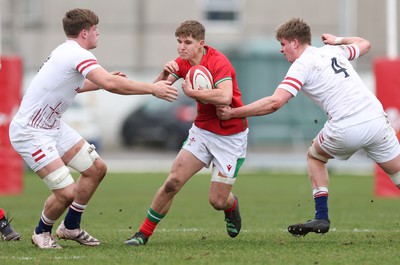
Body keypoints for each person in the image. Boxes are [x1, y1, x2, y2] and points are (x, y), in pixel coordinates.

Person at [9, 8, 178, 249]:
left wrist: (101, 83)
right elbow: (111, 84)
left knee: (96, 168)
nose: (99, 33)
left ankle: (70, 226)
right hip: (31, 132)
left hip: (52, 126)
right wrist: (152, 88)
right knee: (66, 193)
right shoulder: (75, 54)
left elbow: (73, 86)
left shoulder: (66, 51)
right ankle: (41, 232)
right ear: (85, 32)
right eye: (96, 29)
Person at [217, 17, 400, 236]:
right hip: (377, 120)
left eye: (283, 44)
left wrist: (235, 113)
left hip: (347, 126)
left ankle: (321, 217)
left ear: (295, 43)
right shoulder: (332, 51)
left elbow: (275, 102)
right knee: (397, 175)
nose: (281, 50)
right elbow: (365, 44)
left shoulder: (301, 65)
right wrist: (337, 39)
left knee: (315, 157)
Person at [125, 20, 249, 246]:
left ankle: (231, 205)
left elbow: (225, 97)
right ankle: (142, 234)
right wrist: (163, 74)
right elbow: (158, 90)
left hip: (231, 136)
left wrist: (192, 93)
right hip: (202, 132)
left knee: (217, 200)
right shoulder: (182, 63)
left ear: (201, 43)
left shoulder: (219, 61)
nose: (182, 47)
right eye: (179, 42)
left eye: (188, 42)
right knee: (172, 182)